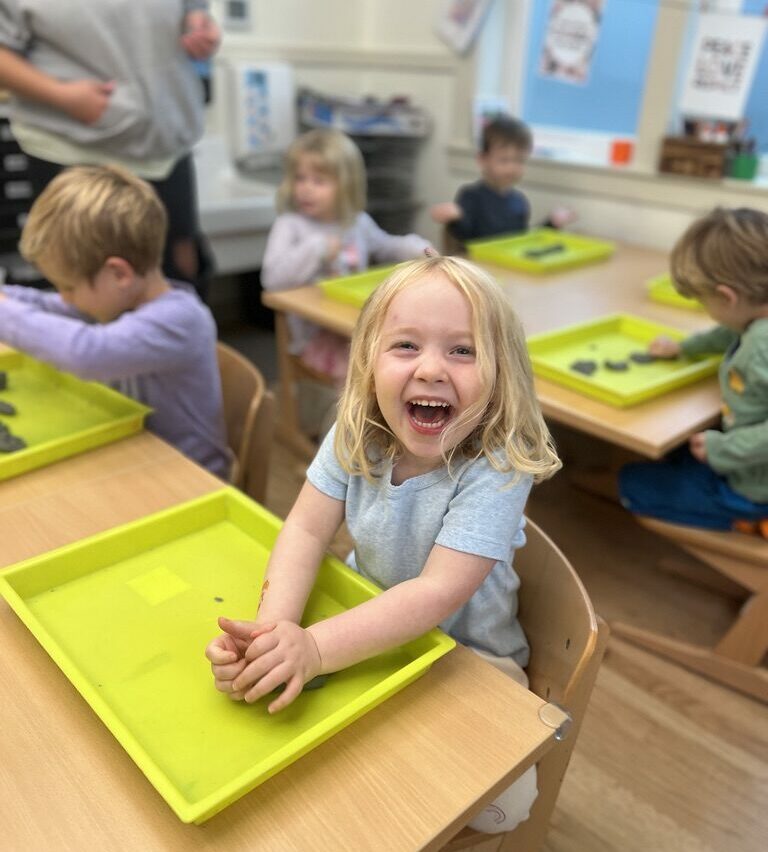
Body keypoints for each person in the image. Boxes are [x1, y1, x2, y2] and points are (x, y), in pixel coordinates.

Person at [206, 255, 562, 832]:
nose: (431, 369)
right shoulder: (354, 432)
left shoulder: (497, 467)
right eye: (405, 346)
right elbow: (304, 530)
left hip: (468, 653)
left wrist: (313, 648)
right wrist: (272, 636)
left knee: (504, 810)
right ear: (369, 361)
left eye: (463, 350)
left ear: (503, 372)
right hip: (364, 609)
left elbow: (436, 592)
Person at [0, 164, 231, 478]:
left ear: (119, 274)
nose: (64, 297)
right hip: (136, 453)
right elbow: (44, 305)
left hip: (190, 475)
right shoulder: (115, 302)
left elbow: (87, 352)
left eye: (69, 287)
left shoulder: (180, 319)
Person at [0, 1, 220, 297]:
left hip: (166, 142)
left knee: (179, 272)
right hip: (72, 144)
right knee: (89, 282)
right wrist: (60, 95)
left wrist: (199, 22)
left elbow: (194, 9)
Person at [620, 207, 768, 532]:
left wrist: (723, 449)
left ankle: (744, 519)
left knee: (631, 483)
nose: (704, 309)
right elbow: (730, 331)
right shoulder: (756, 317)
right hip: (744, 457)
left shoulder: (761, 346)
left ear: (727, 297)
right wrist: (684, 347)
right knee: (680, 454)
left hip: (753, 489)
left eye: (704, 302)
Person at [261, 127, 432, 383]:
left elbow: (386, 245)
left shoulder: (357, 223)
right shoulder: (289, 225)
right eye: (300, 178)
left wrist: (417, 248)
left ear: (346, 185)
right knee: (364, 375)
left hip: (355, 325)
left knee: (403, 357)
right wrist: (316, 249)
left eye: (319, 181)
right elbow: (272, 279)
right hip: (314, 336)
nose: (306, 189)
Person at [430, 115, 573, 244]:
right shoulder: (471, 196)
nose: (512, 168)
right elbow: (465, 235)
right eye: (504, 160)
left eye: (519, 160)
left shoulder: (519, 201)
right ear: (483, 159)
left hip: (507, 263)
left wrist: (551, 224)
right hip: (478, 262)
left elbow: (522, 241)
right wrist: (455, 218)